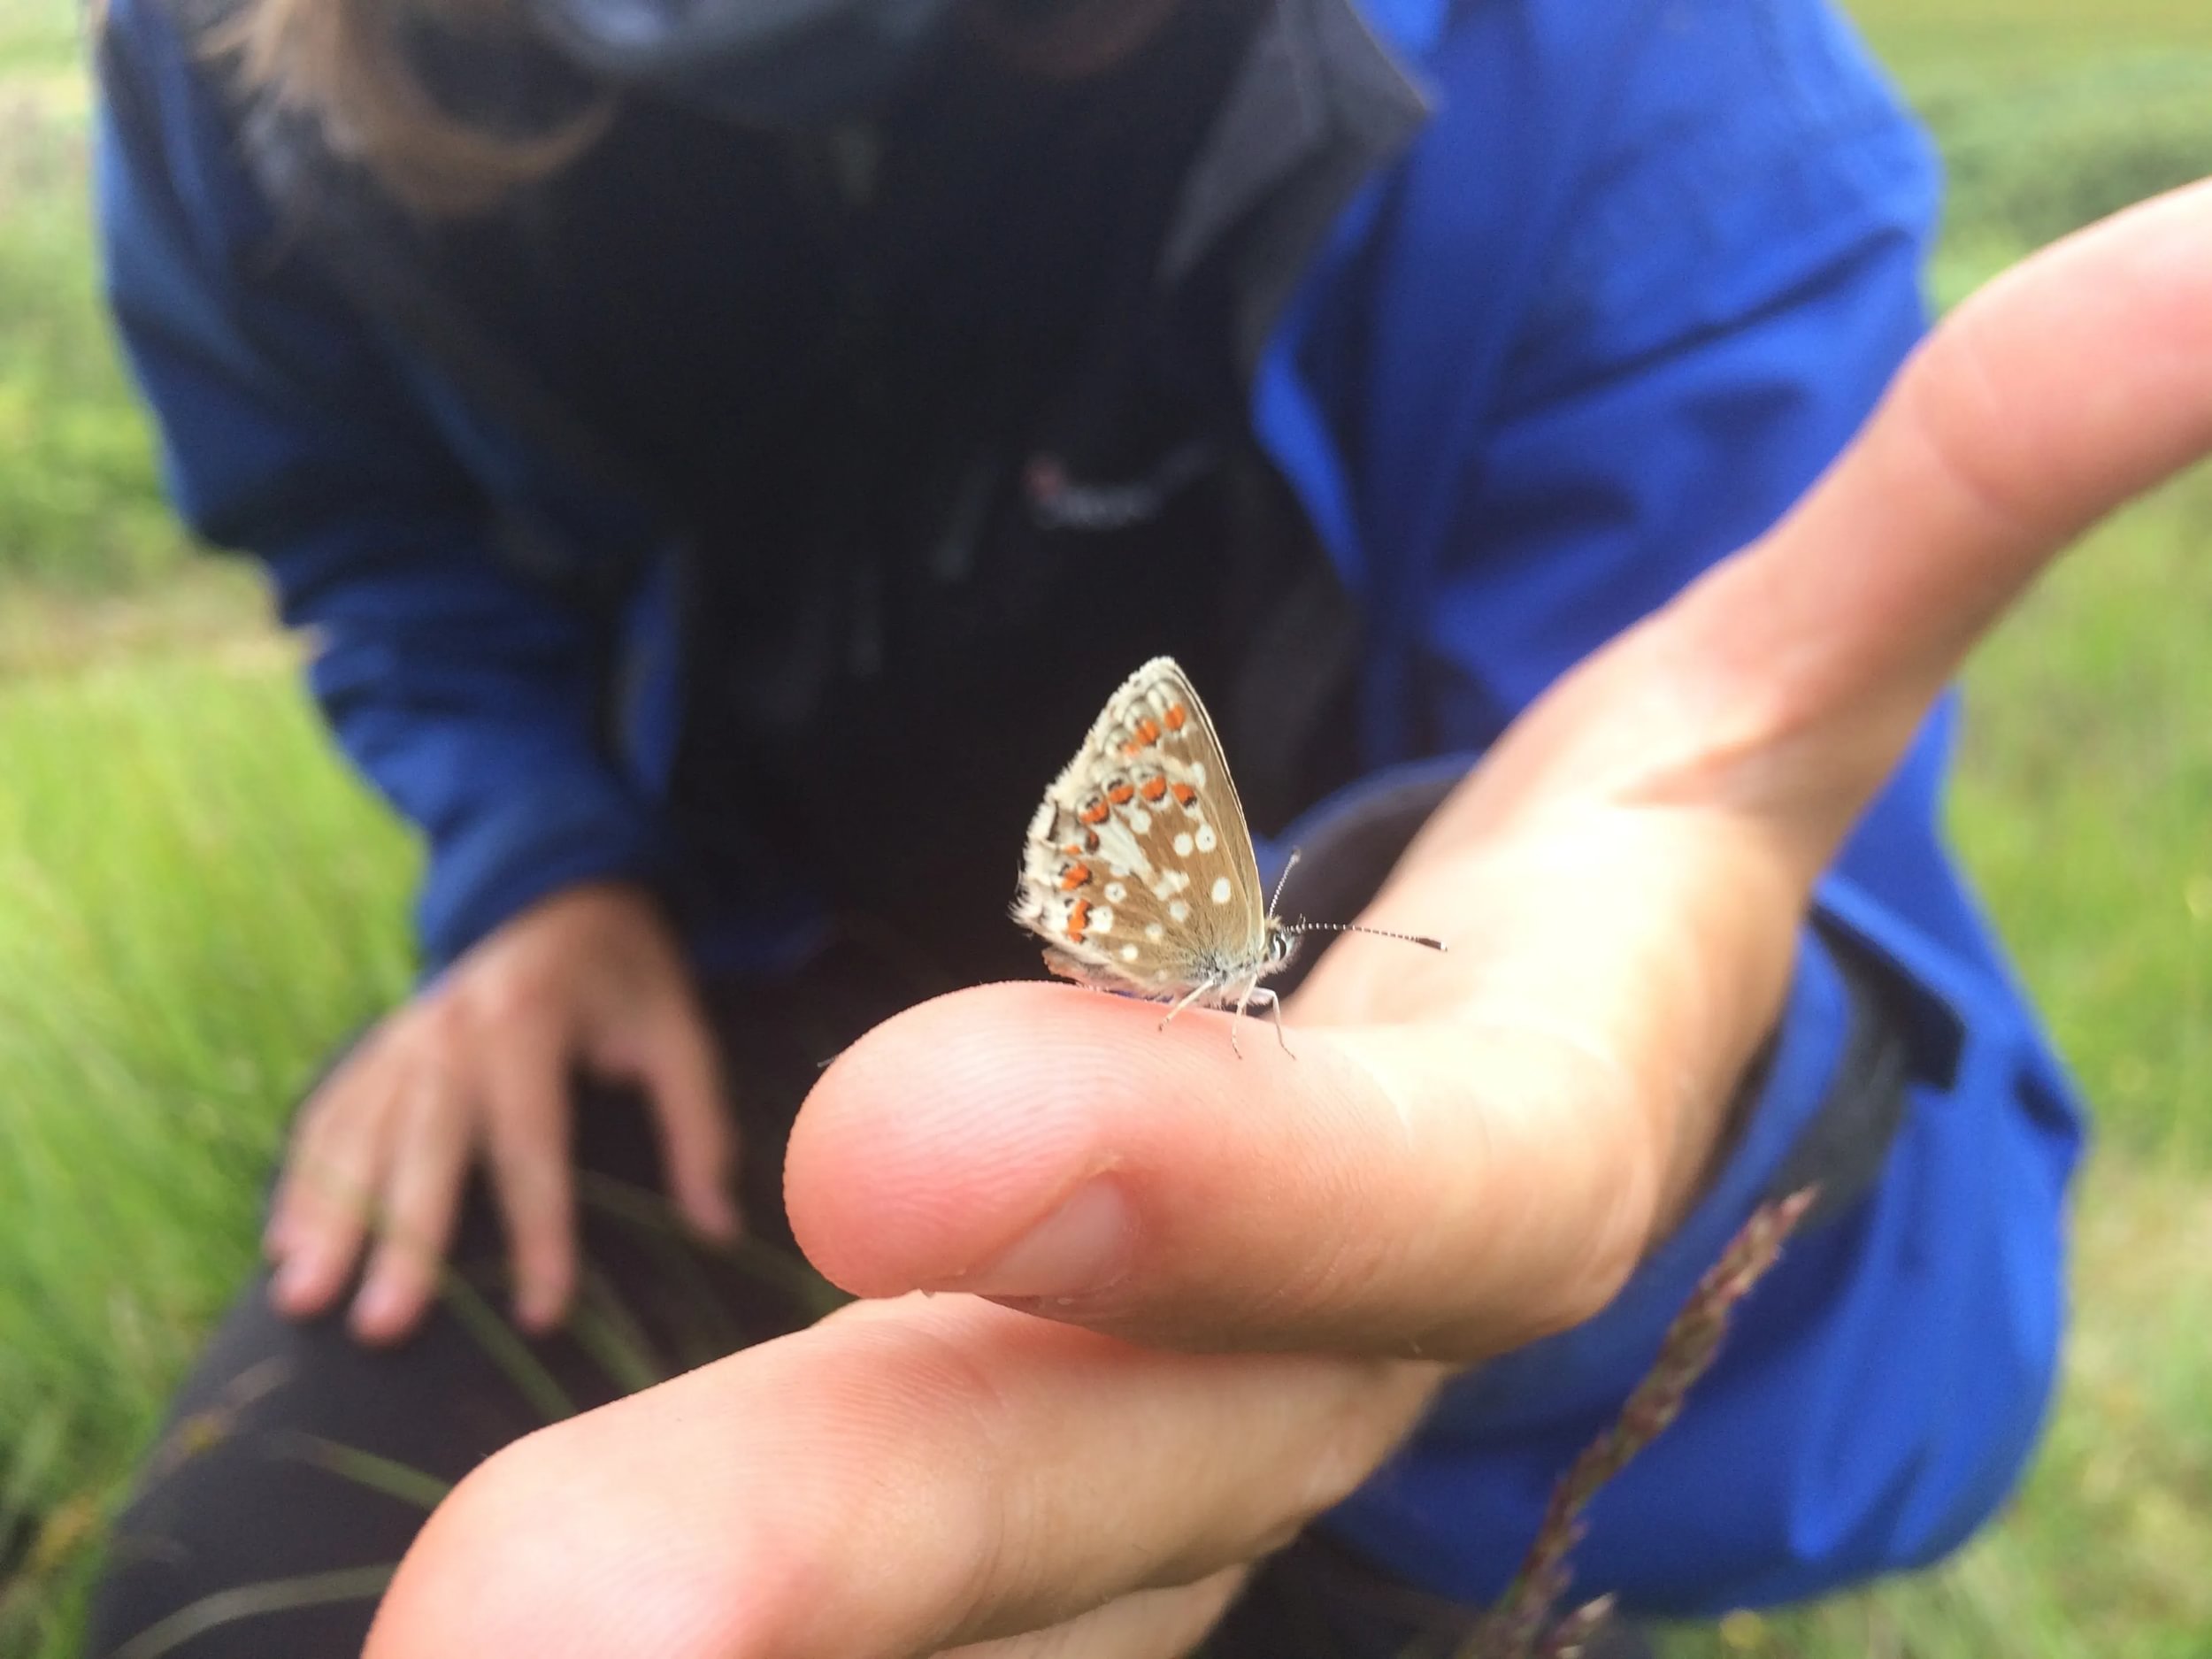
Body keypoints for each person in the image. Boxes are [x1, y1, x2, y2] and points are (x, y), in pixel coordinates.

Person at [81, 0, 2212, 1651]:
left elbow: (1909, 1258)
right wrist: (540, 869)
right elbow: (367, 540)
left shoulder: (1628, 88)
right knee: (240, 1584)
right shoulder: (232, 74)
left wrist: (1649, 1095)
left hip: (1333, 1233)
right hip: (707, 1011)